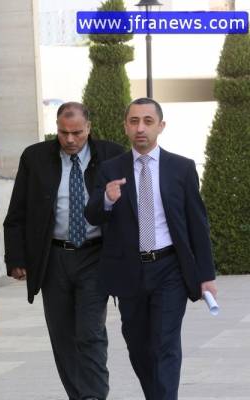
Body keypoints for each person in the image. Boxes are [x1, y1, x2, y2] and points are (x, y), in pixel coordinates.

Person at [85, 97, 218, 400]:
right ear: (125, 126)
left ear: (161, 126)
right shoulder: (109, 169)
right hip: (128, 270)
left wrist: (206, 275)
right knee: (138, 346)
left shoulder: (181, 168)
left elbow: (197, 224)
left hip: (169, 267)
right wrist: (106, 199)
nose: (140, 128)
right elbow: (92, 214)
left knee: (164, 343)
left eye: (148, 121)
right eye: (134, 121)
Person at [4, 102, 124, 400]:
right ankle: (79, 395)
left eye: (77, 133)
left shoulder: (111, 155)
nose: (70, 139)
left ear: (89, 128)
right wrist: (16, 258)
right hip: (53, 257)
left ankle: (93, 395)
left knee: (90, 332)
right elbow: (17, 211)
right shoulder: (35, 157)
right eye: (63, 132)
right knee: (62, 336)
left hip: (95, 255)